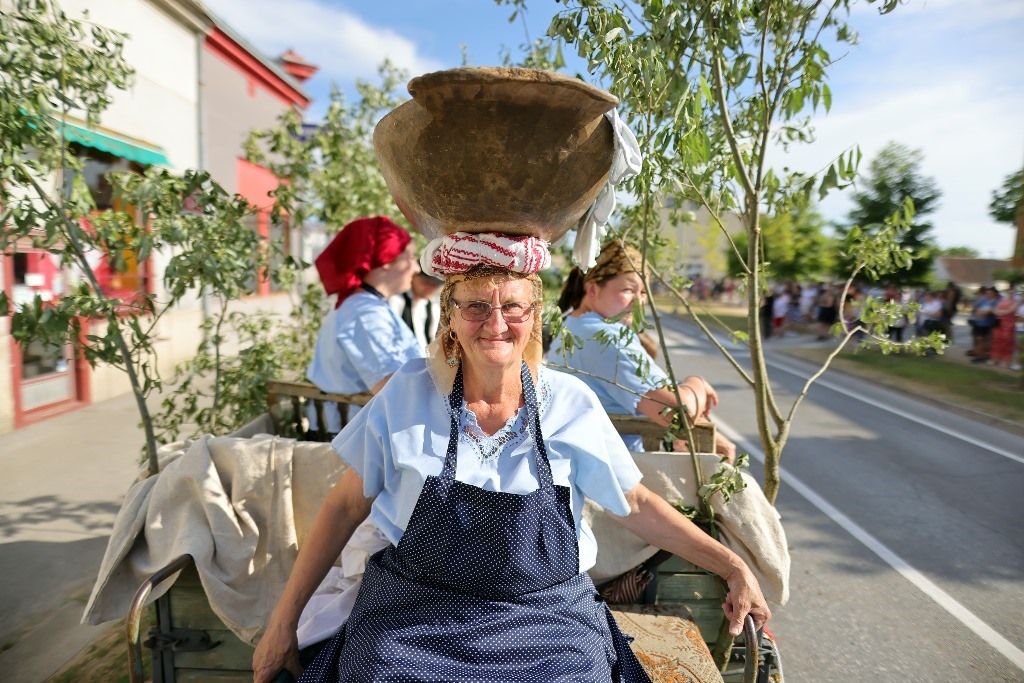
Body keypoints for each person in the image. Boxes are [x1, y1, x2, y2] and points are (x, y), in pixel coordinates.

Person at [253, 66, 769, 683]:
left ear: (533, 318)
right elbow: (341, 510)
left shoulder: (568, 402)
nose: (494, 322)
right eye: (476, 306)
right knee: (378, 669)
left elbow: (634, 502)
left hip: (546, 619)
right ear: (451, 317)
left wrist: (732, 566)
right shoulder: (409, 395)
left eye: (512, 307)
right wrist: (285, 620)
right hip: (415, 618)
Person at [553, 239, 736, 462]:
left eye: (642, 292)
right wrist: (697, 382)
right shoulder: (607, 337)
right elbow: (679, 413)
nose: (639, 302)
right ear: (592, 290)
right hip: (622, 468)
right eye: (628, 290)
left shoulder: (571, 325)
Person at [306, 216, 424, 433]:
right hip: (356, 441)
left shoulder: (367, 306)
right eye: (410, 257)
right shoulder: (364, 312)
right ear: (387, 260)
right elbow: (392, 388)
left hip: (359, 433)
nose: (415, 268)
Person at [389, 271, 443, 350]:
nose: (429, 288)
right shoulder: (396, 300)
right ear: (414, 277)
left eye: (434, 285)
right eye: (425, 282)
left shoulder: (433, 307)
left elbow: (434, 340)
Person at [989, 288, 1019, 367]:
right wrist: (1004, 312)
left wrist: (1001, 312)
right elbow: (995, 311)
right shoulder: (1001, 302)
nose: (1010, 294)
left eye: (1012, 293)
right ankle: (995, 360)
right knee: (997, 342)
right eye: (1009, 293)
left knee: (1007, 343)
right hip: (999, 325)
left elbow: (1010, 310)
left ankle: (1006, 362)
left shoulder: (1015, 303)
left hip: (1008, 325)